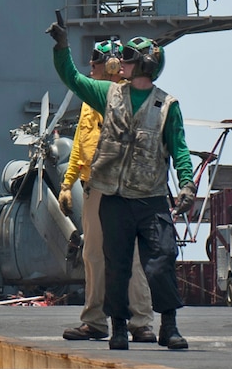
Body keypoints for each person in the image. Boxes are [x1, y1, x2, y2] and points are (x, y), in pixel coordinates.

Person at [47, 22, 193, 350]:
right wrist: (61, 49)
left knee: (162, 260)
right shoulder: (108, 94)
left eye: (127, 57)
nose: (120, 63)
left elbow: (179, 147)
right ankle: (117, 328)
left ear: (143, 64)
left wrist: (187, 184)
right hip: (113, 196)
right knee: (116, 264)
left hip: (151, 197)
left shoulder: (167, 106)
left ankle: (168, 326)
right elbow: (73, 78)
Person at [59, 38, 155, 344]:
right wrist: (67, 183)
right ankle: (96, 321)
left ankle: (141, 322)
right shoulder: (92, 99)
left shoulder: (123, 97)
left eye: (96, 62)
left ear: (112, 64)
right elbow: (80, 144)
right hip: (93, 187)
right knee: (93, 255)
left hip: (121, 188)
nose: (92, 67)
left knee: (132, 257)